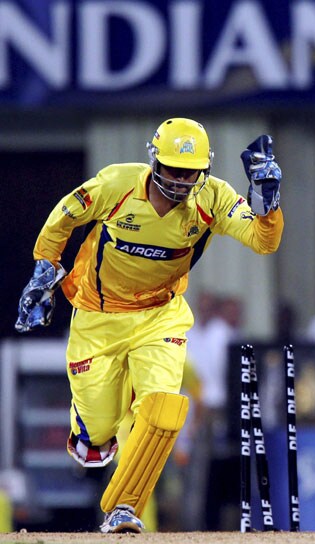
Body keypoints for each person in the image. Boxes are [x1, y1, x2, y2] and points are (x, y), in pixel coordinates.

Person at [14, 118, 284, 533]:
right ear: (154, 160)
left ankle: (123, 506)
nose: (180, 181)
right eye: (173, 169)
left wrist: (267, 205)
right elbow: (63, 216)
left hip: (161, 315)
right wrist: (45, 269)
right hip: (97, 317)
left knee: (162, 408)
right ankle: (92, 430)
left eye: (189, 173)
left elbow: (263, 241)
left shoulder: (212, 198)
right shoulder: (115, 184)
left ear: (204, 171)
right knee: (99, 434)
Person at [186, 291, 243, 530]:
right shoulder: (190, 333)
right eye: (203, 306)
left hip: (219, 410)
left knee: (219, 472)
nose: (206, 311)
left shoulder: (224, 334)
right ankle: (193, 525)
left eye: (210, 307)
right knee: (194, 471)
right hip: (193, 410)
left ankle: (217, 525)